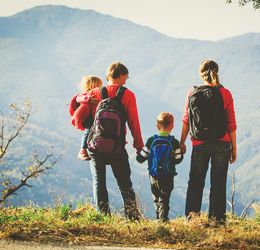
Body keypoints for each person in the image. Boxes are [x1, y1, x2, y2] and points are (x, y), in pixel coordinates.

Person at [79, 62, 144, 219]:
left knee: (99, 182)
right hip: (117, 147)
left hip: (95, 145)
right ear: (121, 75)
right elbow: (134, 123)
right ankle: (133, 216)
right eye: (126, 77)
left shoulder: (94, 93)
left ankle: (103, 217)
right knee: (125, 183)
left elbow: (79, 116)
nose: (126, 80)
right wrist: (138, 145)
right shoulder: (128, 95)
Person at [180, 59, 237, 223]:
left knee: (196, 182)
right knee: (218, 183)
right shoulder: (225, 93)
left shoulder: (192, 92)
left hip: (199, 143)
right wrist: (234, 147)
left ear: (201, 73)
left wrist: (182, 142)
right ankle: (217, 220)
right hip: (222, 143)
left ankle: (192, 219)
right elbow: (231, 123)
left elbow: (186, 120)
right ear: (217, 72)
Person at [136, 112, 183, 222]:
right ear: (172, 126)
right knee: (164, 199)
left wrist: (139, 154)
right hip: (168, 175)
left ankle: (159, 218)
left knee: (156, 198)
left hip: (154, 175)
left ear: (157, 126)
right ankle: (163, 220)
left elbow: (140, 159)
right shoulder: (174, 142)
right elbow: (178, 159)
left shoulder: (151, 141)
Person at [73, 76, 102, 161]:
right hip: (88, 118)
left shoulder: (96, 94)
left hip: (94, 117)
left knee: (92, 132)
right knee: (88, 132)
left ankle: (91, 148)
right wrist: (88, 99)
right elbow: (79, 99)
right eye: (99, 85)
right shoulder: (85, 94)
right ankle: (82, 150)